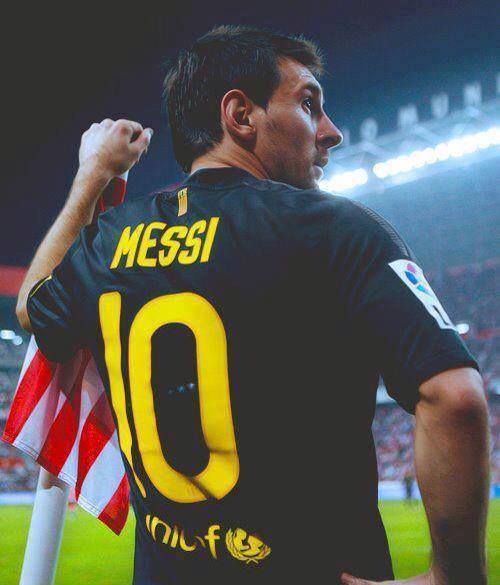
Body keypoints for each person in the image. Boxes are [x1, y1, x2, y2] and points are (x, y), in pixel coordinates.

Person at [16, 26, 489, 585]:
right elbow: (456, 398)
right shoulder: (337, 229)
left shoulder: (111, 240)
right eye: (309, 104)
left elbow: (31, 306)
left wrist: (92, 175)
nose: (331, 131)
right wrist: (454, 576)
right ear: (241, 115)